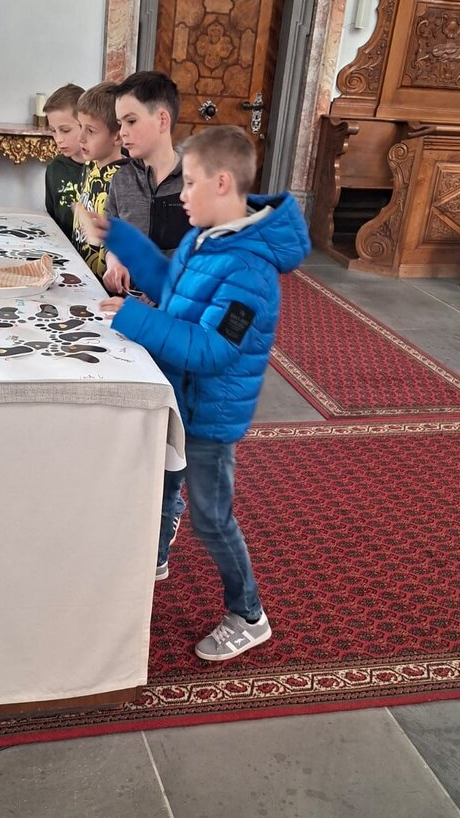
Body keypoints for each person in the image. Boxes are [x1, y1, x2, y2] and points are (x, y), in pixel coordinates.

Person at [75, 125, 310, 661]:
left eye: (191, 182)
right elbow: (171, 286)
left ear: (222, 183)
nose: (181, 194)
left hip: (208, 412)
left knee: (211, 516)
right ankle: (154, 556)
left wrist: (135, 319)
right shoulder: (205, 239)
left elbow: (212, 349)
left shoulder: (250, 271)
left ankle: (248, 614)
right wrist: (119, 237)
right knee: (162, 482)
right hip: (181, 395)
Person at [103, 71, 190, 295]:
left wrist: (162, 290)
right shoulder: (121, 180)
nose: (122, 132)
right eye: (120, 123)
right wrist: (114, 264)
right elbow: (111, 238)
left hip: (177, 303)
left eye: (131, 121)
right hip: (126, 300)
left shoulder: (195, 181)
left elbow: (206, 255)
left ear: (162, 120)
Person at [71, 82, 128, 278]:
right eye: (80, 127)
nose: (80, 138)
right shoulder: (90, 166)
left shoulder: (124, 179)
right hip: (82, 274)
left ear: (117, 137)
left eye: (91, 131)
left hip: (105, 283)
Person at [44, 83, 85, 240]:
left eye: (65, 130)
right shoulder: (55, 169)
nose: (58, 139)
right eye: (53, 131)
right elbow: (52, 218)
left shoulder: (105, 168)